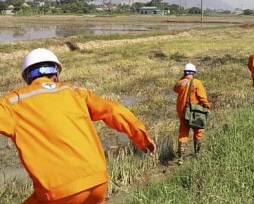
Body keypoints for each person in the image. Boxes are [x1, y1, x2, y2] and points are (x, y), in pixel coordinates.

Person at [0, 48, 156, 204]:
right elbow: (114, 110)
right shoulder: (75, 92)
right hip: (98, 182)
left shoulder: (13, 102)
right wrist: (142, 137)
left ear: (27, 77)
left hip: (59, 192)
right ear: (56, 73)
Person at [173, 63, 211, 163]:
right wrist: (207, 106)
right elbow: (202, 97)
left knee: (183, 133)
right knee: (198, 132)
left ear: (184, 72)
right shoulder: (197, 83)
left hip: (182, 113)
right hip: (195, 113)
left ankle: (180, 157)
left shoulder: (180, 82)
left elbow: (175, 89)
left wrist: (183, 77)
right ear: (194, 72)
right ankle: (197, 154)